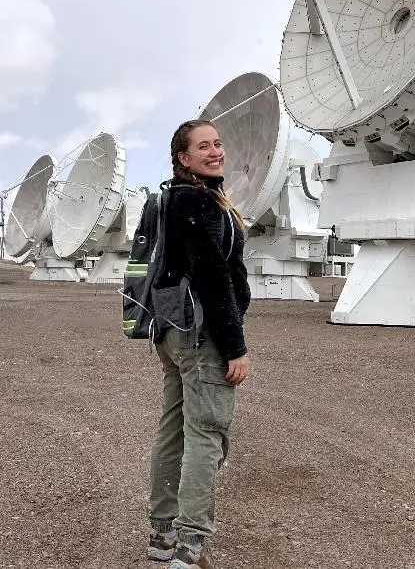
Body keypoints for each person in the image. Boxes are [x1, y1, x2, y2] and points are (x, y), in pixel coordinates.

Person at [146, 119, 252, 569]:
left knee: (174, 430)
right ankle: (190, 546)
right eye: (203, 146)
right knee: (206, 435)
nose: (216, 151)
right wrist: (235, 346)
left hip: (172, 332)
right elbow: (213, 275)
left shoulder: (174, 199)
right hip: (201, 335)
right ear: (184, 159)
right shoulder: (199, 203)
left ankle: (163, 534)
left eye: (217, 143)